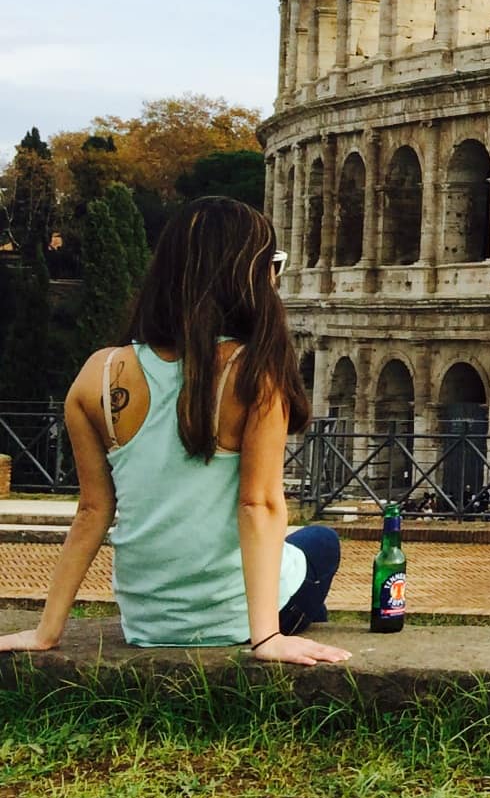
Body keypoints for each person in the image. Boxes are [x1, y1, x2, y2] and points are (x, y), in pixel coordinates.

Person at [0, 197, 349, 666]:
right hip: (236, 618)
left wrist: (47, 631)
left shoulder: (96, 375)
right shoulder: (255, 372)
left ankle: (297, 616)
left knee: (298, 548)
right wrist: (265, 638)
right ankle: (292, 622)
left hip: (148, 622)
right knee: (321, 542)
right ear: (249, 275)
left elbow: (91, 511)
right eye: (273, 265)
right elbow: (258, 504)